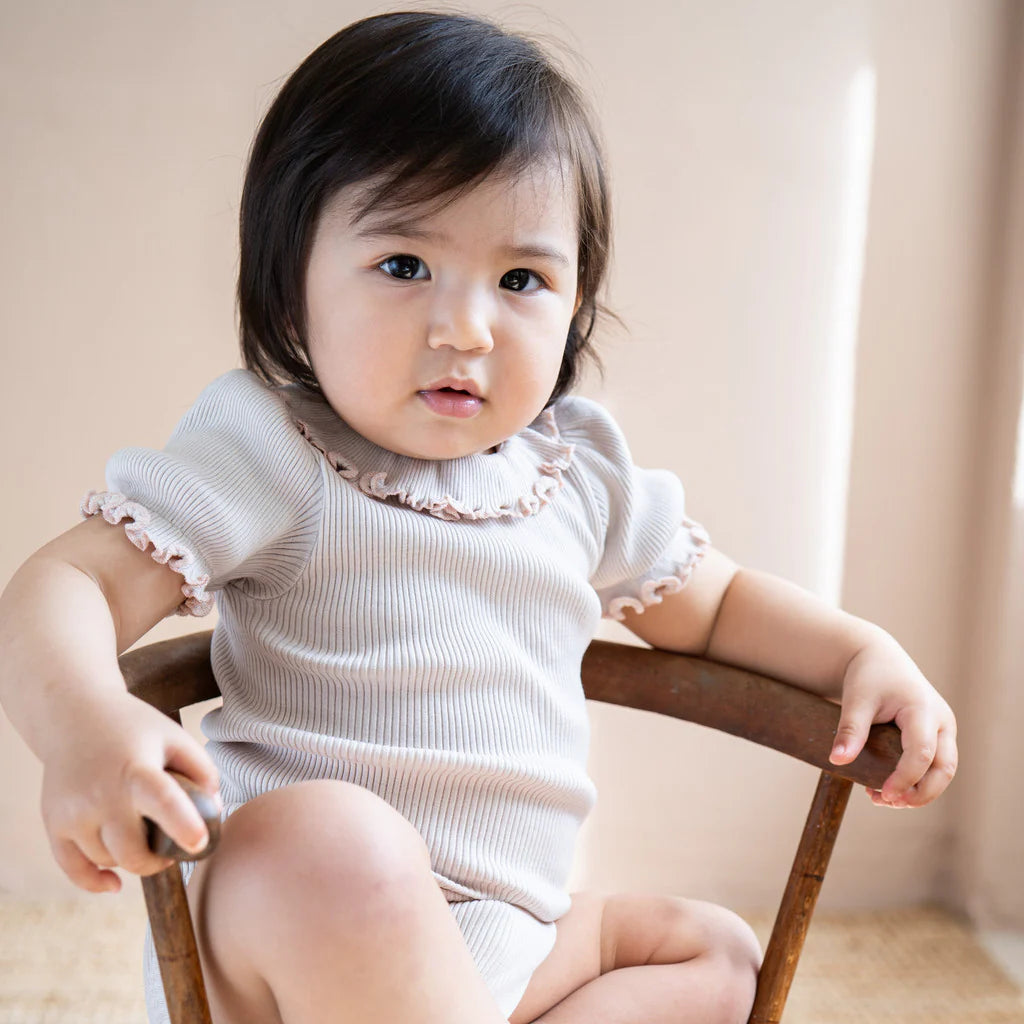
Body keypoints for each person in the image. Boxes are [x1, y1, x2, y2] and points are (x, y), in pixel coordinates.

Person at [0, 10, 957, 1024]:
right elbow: (67, 583)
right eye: (404, 266)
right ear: (288, 294)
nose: (465, 328)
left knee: (714, 956)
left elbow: (716, 611)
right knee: (338, 842)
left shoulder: (576, 475)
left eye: (520, 280)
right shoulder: (275, 452)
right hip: (302, 938)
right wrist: (86, 727)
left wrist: (860, 655)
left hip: (510, 940)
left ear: (573, 306)